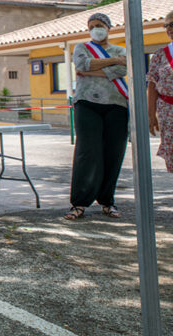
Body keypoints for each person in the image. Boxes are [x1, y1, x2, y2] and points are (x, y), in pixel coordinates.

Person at [65, 12, 128, 220]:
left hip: (116, 104)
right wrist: (110, 64)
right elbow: (82, 65)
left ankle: (107, 201)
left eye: (99, 25)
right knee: (87, 152)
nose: (95, 29)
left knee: (113, 152)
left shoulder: (121, 50)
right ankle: (79, 202)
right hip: (87, 103)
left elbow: (122, 69)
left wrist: (94, 69)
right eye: (91, 26)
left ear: (108, 27)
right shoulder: (82, 48)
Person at [147, 10, 173, 172]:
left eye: (172, 24)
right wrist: (151, 115)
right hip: (168, 111)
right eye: (166, 25)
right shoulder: (160, 55)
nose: (169, 28)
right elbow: (152, 86)